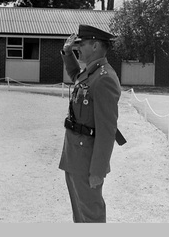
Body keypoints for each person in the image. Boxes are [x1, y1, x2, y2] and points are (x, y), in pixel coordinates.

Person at [59, 25, 124, 223]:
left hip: (87, 160)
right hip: (75, 156)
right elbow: (75, 76)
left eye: (83, 44)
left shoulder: (105, 79)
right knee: (79, 214)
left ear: (95, 46)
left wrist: (98, 170)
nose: (79, 48)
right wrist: (67, 53)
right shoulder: (91, 73)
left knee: (91, 216)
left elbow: (107, 130)